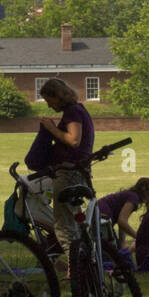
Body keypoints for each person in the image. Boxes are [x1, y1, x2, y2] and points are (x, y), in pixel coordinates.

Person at [37, 78, 94, 258]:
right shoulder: (79, 110)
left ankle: (75, 266)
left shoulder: (72, 112)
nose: (48, 105)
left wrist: (51, 128)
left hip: (69, 173)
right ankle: (81, 262)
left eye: (49, 100)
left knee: (63, 224)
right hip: (77, 172)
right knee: (74, 221)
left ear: (58, 96)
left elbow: (73, 140)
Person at [96, 177, 149, 249]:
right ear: (143, 188)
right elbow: (122, 221)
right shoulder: (134, 198)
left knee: (115, 248)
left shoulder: (131, 195)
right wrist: (138, 237)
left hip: (99, 215)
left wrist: (122, 242)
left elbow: (122, 221)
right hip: (103, 217)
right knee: (113, 251)